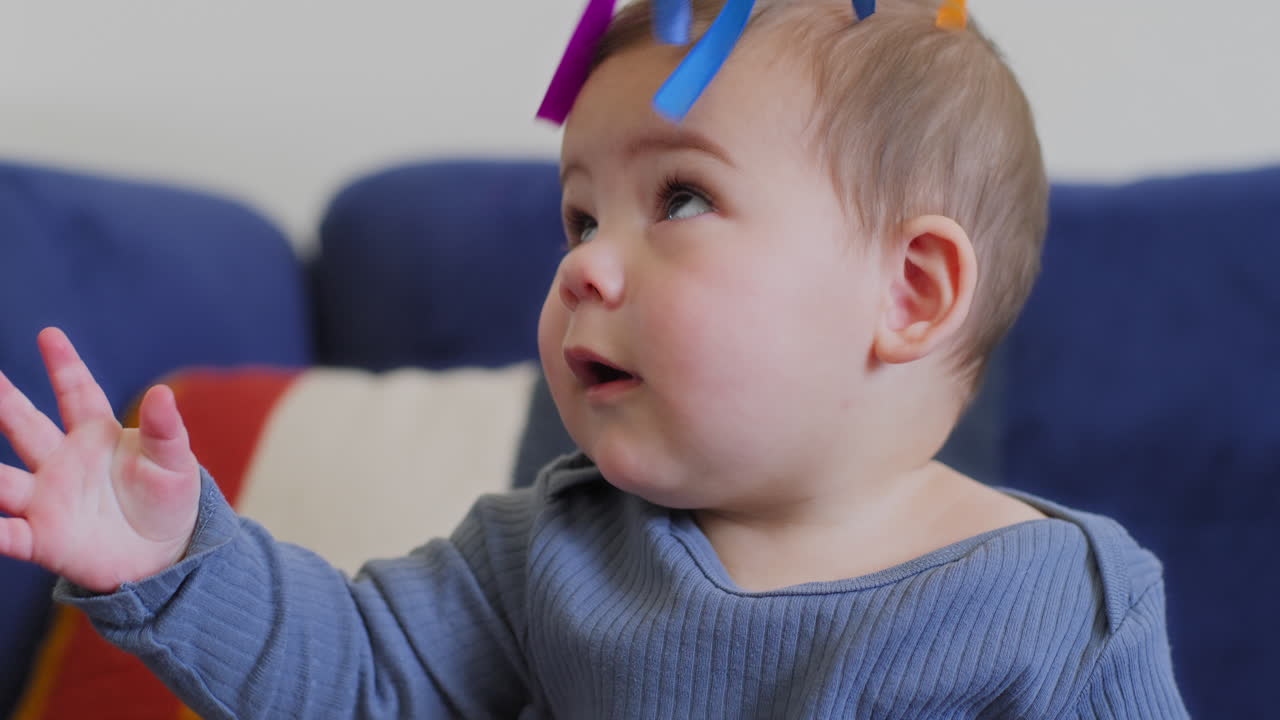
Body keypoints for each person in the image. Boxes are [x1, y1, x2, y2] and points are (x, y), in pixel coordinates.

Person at [0, 0, 1188, 717]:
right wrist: (172, 561)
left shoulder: (1061, 608)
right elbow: (357, 679)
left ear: (909, 292)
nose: (585, 267)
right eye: (578, 218)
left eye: (677, 197)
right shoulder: (547, 551)